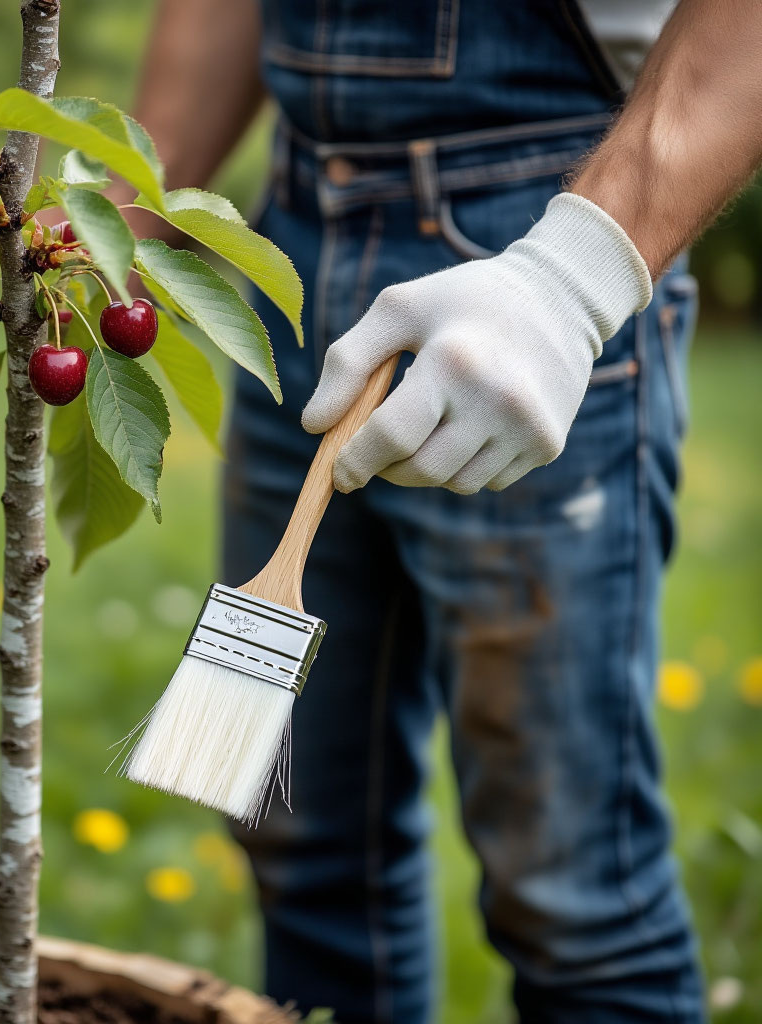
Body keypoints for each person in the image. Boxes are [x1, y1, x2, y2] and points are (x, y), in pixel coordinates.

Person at [116, 2, 762, 1020]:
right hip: (289, 246)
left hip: (544, 237)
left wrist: (569, 282)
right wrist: (113, 228)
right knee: (297, 839)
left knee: (573, 900)